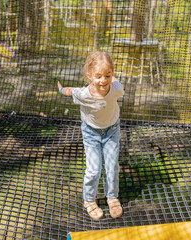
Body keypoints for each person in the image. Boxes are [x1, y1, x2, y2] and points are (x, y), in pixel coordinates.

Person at [57, 51, 125, 220]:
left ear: (112, 74)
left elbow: (117, 83)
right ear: (89, 76)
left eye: (108, 75)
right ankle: (89, 199)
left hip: (111, 131)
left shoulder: (116, 88)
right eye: (98, 76)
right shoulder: (84, 94)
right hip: (91, 133)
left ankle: (112, 197)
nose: (103, 80)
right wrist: (60, 89)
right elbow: (70, 91)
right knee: (94, 170)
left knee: (112, 167)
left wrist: (113, 78)